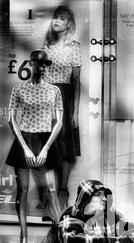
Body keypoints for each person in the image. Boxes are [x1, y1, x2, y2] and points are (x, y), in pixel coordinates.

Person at [6, 49, 63, 243]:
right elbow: (12, 120)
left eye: (45, 64)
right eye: (39, 63)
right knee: (22, 191)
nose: (42, 67)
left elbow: (59, 122)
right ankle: (23, 239)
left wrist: (46, 147)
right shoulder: (19, 89)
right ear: (30, 64)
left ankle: (60, 239)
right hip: (25, 140)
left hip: (45, 139)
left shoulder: (54, 90)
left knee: (52, 191)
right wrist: (25, 148)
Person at [42, 5, 82, 210]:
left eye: (61, 18)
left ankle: (63, 192)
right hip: (47, 97)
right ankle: (50, 198)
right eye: (54, 17)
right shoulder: (46, 46)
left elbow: (76, 82)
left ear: (69, 23)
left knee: (66, 148)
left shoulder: (74, 47)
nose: (56, 21)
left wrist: (75, 112)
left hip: (65, 98)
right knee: (48, 145)